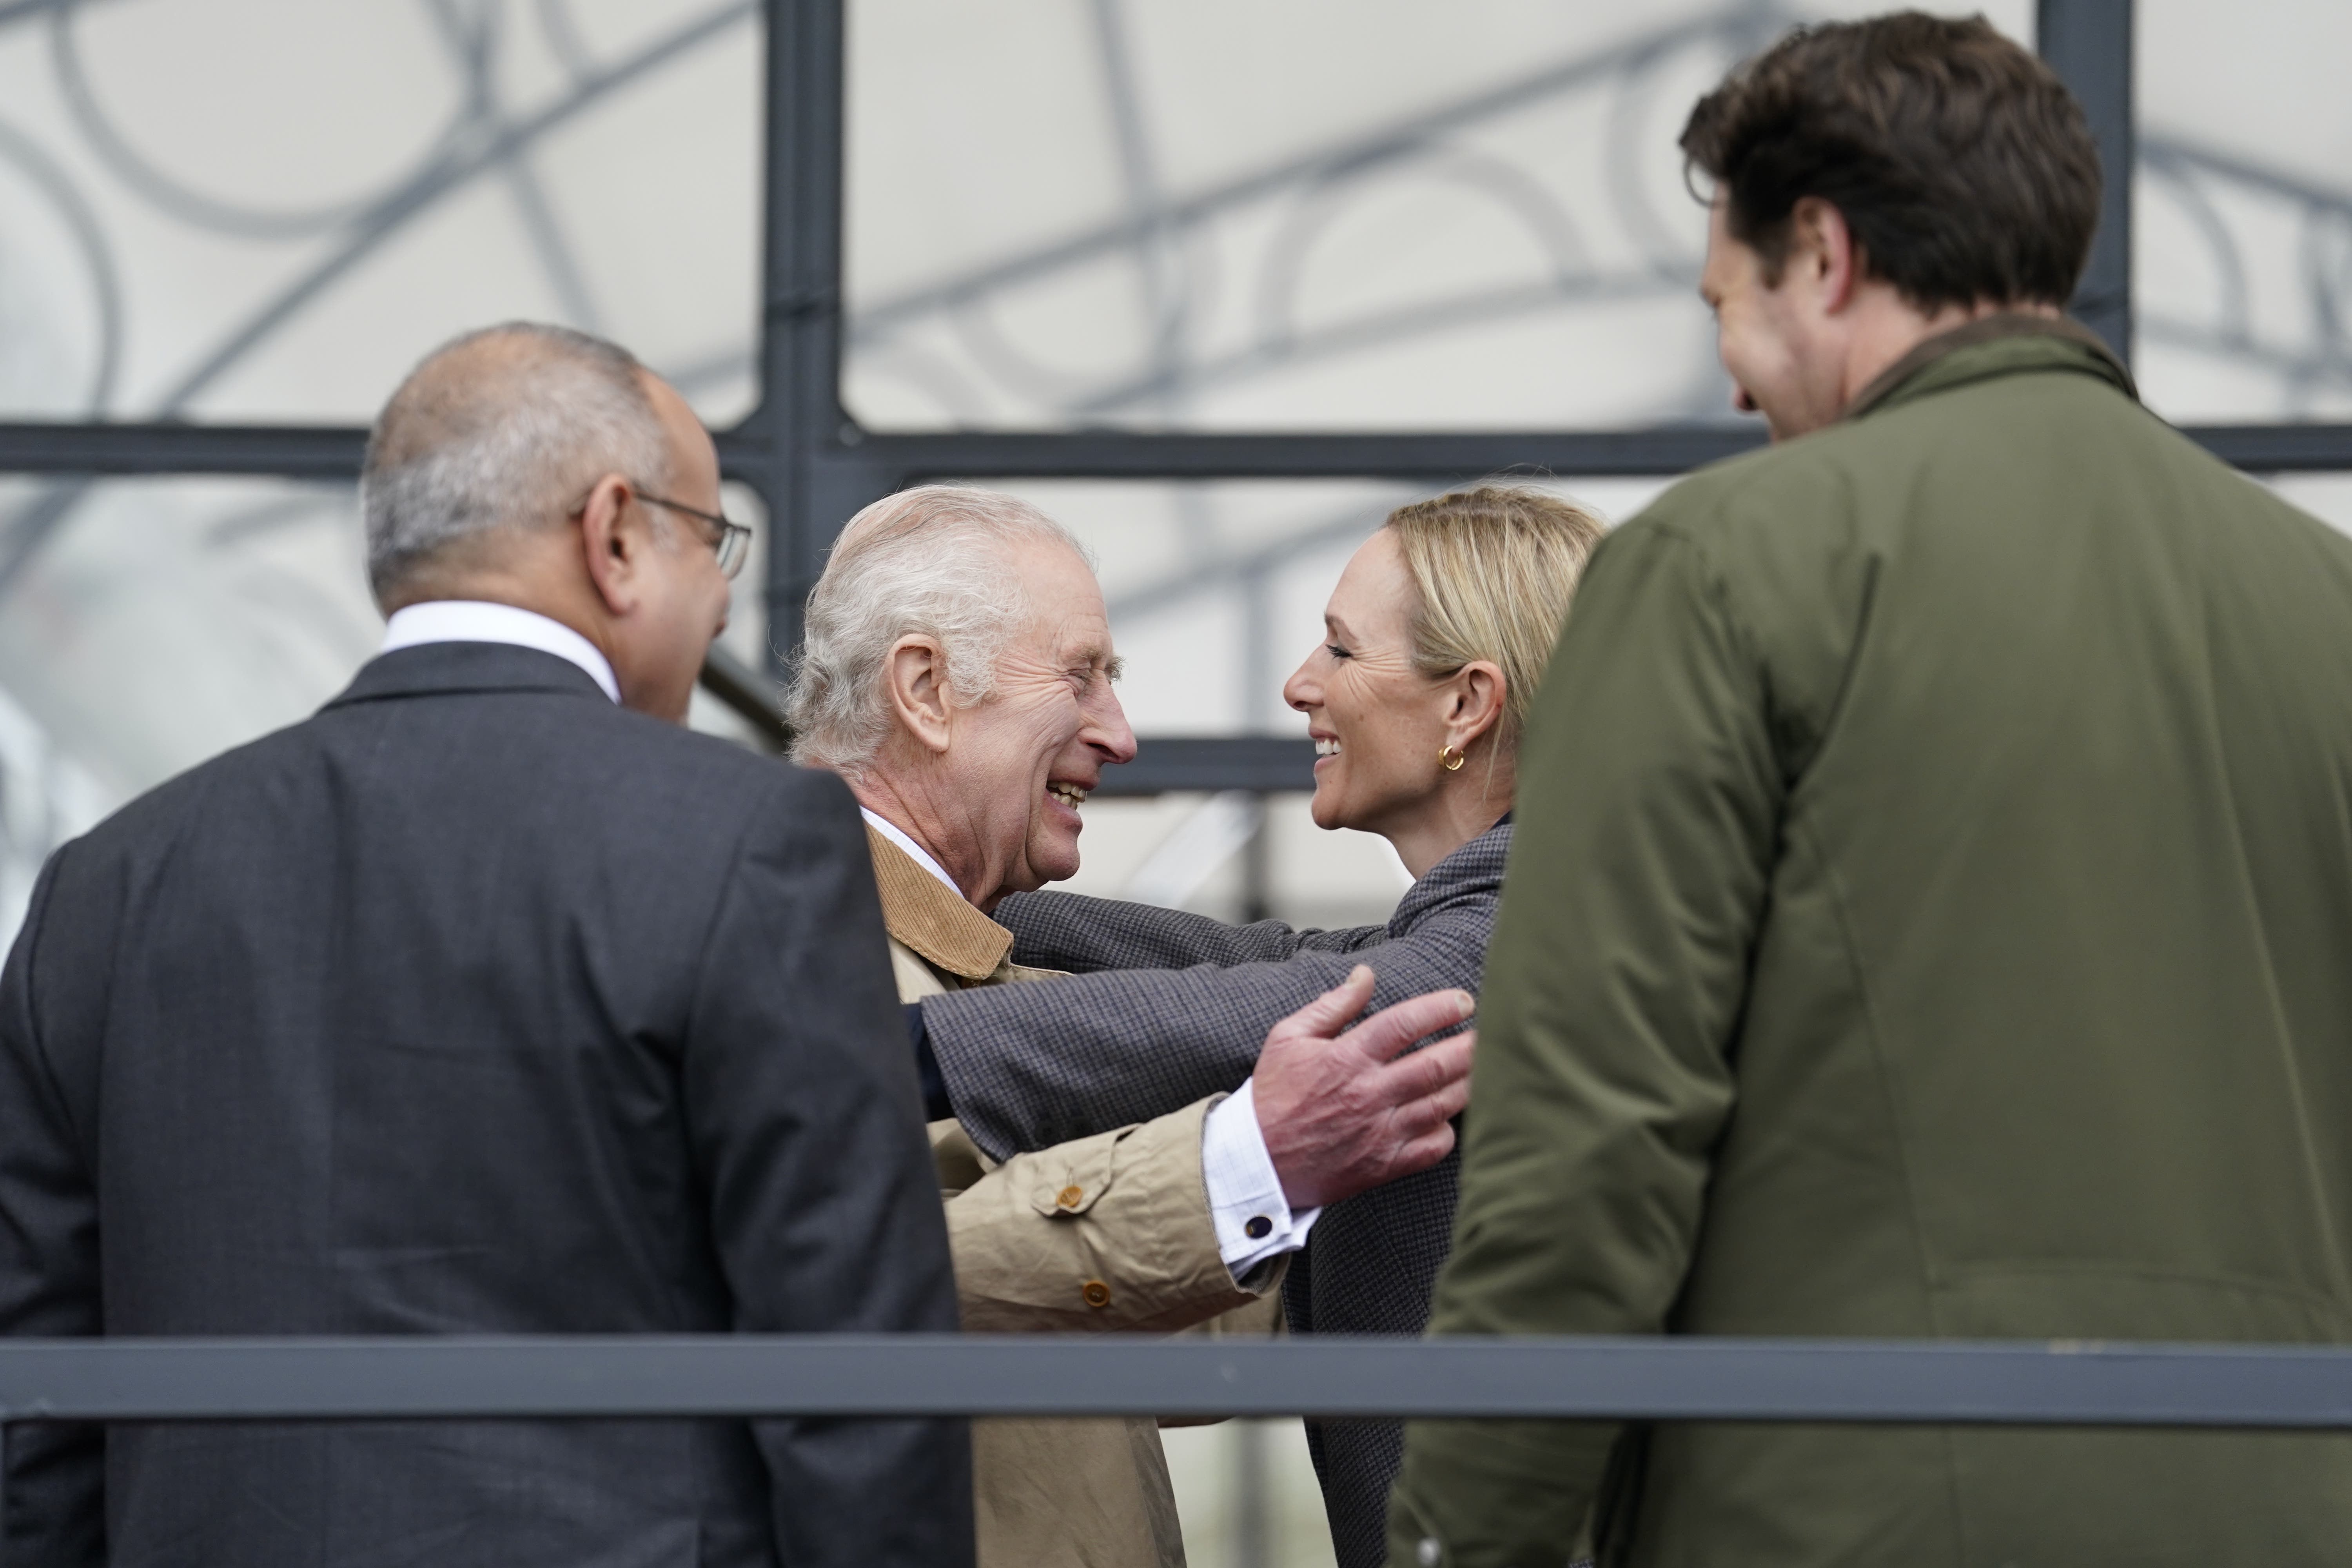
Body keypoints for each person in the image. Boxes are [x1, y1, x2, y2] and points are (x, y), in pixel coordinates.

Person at [1388, 15, 2352, 1568]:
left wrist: (1462, 1541)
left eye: (1729, 303)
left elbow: (1588, 1146)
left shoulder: (1717, 569)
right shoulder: (2326, 599)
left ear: (1821, 255)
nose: (1734, 381)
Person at [0, 323, 971, 1567]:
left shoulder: (110, 886)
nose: (725, 595)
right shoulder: (746, 839)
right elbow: (856, 1382)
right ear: (614, 534)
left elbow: (39, 1412)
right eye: (711, 536)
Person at [907, 484, 1605, 1568]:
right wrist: (970, 892)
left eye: (1340, 649)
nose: (1300, 684)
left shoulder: (1557, 918)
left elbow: (1320, 999)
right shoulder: (1522, 903)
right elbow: (1278, 964)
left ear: (1468, 705)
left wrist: (913, 1052)